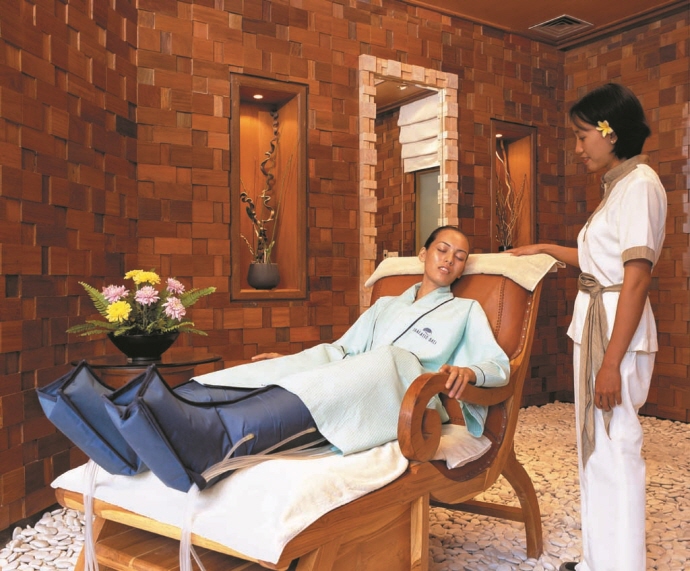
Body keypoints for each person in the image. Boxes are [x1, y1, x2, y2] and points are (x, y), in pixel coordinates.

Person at [40, 226, 510, 493]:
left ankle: (215, 438)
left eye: (461, 256)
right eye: (443, 249)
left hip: (404, 390)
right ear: (424, 254)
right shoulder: (387, 304)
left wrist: (469, 370)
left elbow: (498, 366)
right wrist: (292, 360)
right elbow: (343, 347)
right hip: (358, 372)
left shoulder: (465, 311)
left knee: (382, 357)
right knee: (286, 364)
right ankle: (140, 420)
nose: (450, 260)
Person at [510, 83, 667, 571]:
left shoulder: (640, 185)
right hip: (600, 324)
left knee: (616, 446)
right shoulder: (620, 186)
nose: (578, 148)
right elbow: (601, 260)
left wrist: (611, 363)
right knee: (597, 447)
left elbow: (636, 278)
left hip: (614, 332)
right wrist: (546, 249)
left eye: (582, 137)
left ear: (609, 132)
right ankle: (601, 560)